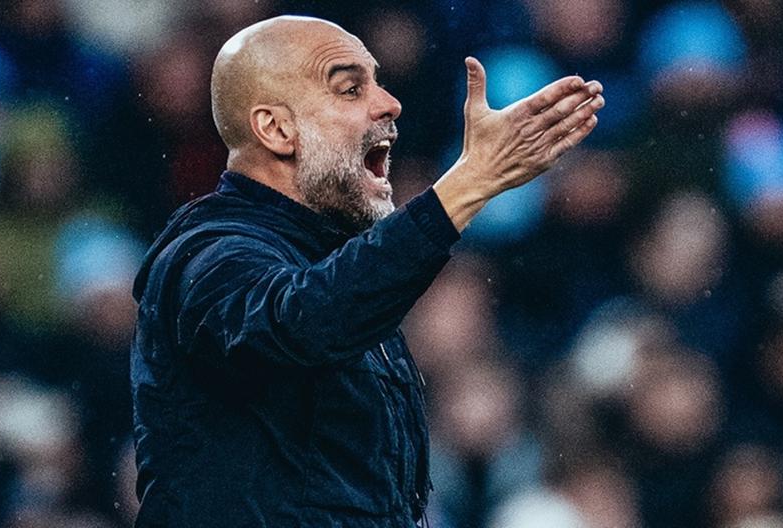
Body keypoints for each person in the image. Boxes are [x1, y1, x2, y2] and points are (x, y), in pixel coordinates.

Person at [130, 14, 604, 528]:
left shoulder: (334, 263)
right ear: (276, 129)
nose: (389, 103)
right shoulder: (206, 255)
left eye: (378, 82)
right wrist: (465, 187)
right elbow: (304, 322)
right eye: (350, 89)